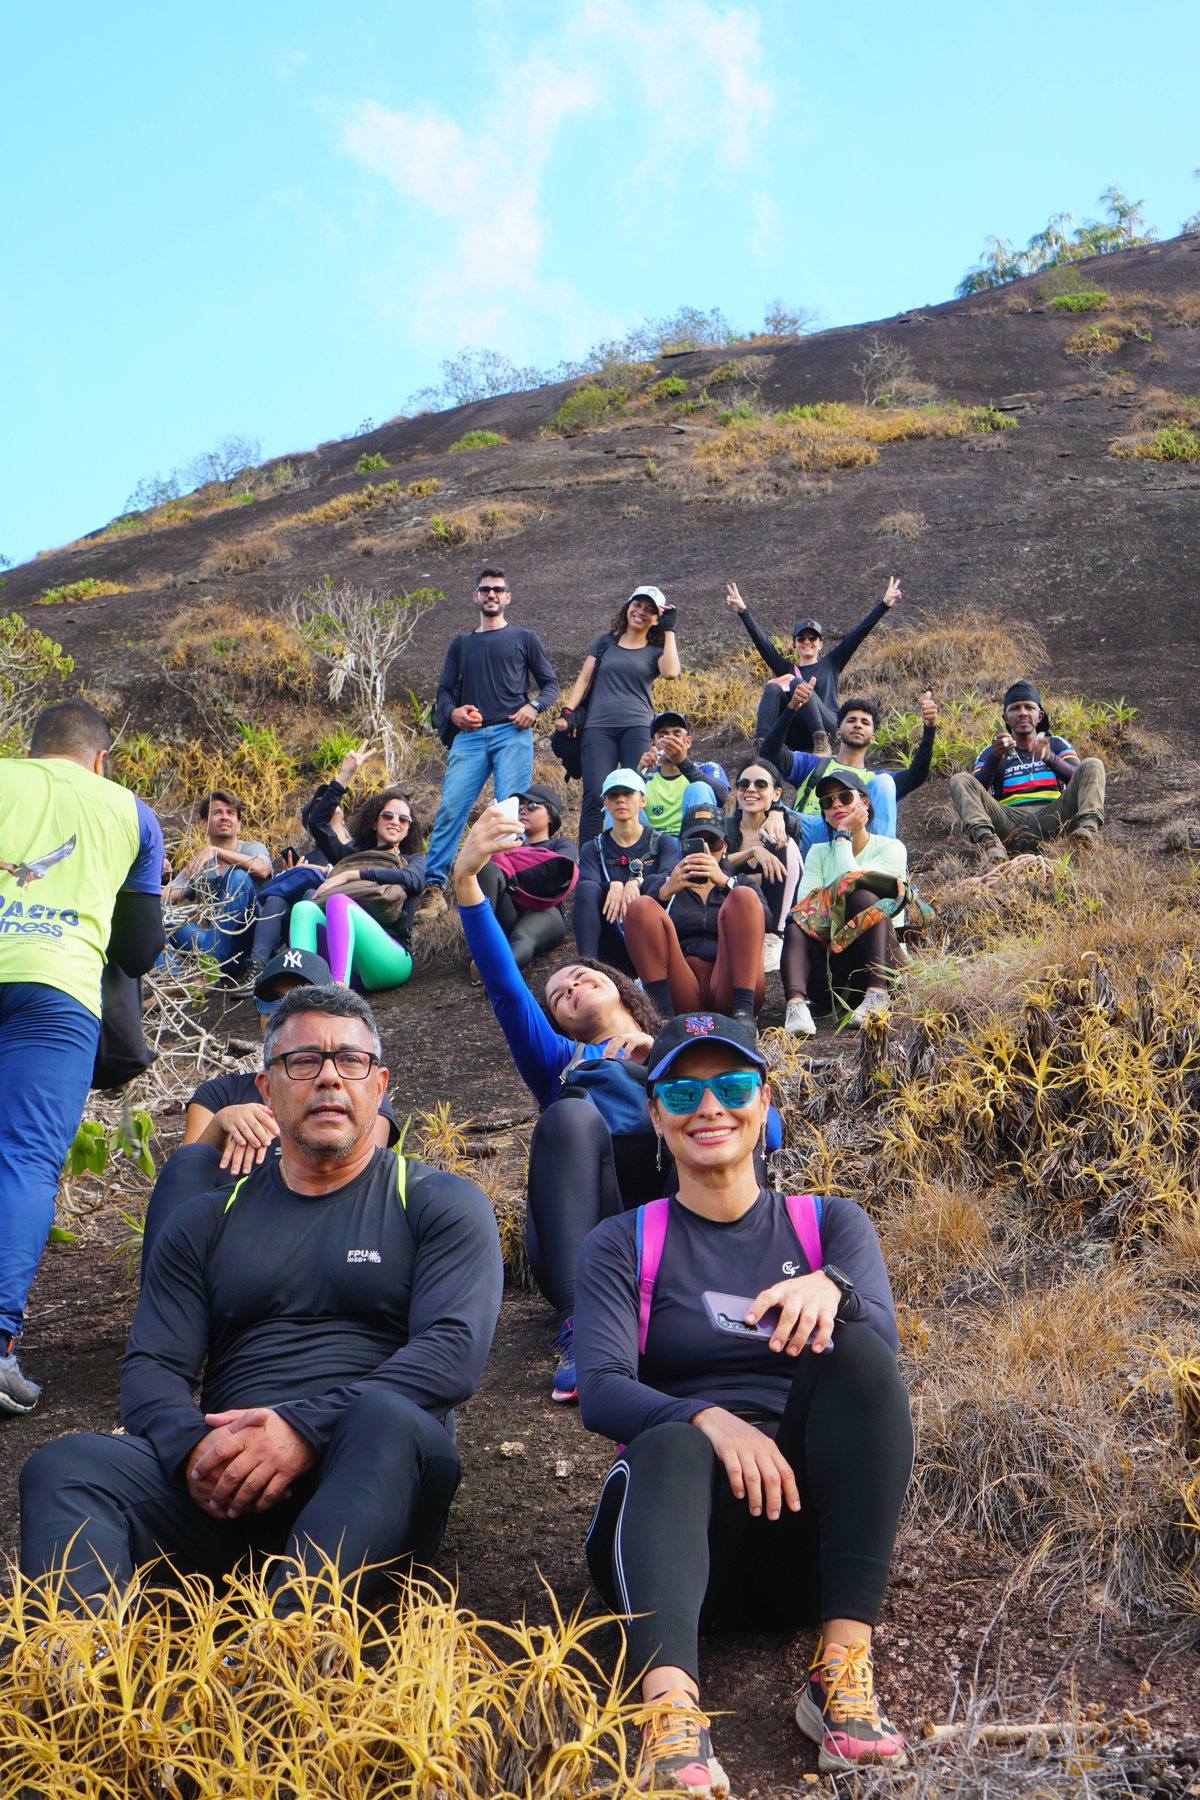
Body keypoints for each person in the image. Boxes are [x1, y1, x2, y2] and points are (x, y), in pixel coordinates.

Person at [19, 986, 503, 1621]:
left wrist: (301, 1429)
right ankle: (78, 1663)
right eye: (303, 1061)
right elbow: (152, 1366)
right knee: (65, 1466)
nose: (328, 1077)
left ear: (379, 1085)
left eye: (350, 1061)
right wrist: (194, 1451)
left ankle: (286, 1647)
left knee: (386, 1417)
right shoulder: (204, 1221)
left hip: (375, 1478)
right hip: (232, 1485)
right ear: (266, 1090)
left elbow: (451, 1353)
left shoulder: (437, 1202)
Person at [574, 1012, 912, 1787]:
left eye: (730, 1087)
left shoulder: (829, 1225)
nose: (709, 1108)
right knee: (671, 1438)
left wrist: (836, 1290)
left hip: (804, 1550)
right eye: (681, 1093)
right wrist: (707, 1416)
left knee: (858, 1346)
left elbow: (879, 1366)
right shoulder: (622, 1243)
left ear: (764, 1102)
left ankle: (841, 1677)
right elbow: (600, 1391)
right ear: (655, 1115)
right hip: (671, 1539)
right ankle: (670, 1719)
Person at [454, 805, 667, 1404]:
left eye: (580, 976)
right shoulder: (560, 1059)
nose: (570, 986)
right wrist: (466, 880)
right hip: (587, 1245)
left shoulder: (683, 1046)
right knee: (569, 1113)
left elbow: (764, 1132)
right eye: (557, 995)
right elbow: (505, 988)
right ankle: (585, 1328)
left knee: (703, 1102)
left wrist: (663, 1060)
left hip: (673, 1224)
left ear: (620, 987)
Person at [0, 699, 164, 1414]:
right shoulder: (130, 812)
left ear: (30, 749)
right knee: (23, 1162)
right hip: (56, 993)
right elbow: (139, 949)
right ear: (101, 758)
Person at [139, 950, 402, 1272]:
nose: (283, 1008)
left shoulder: (352, 1088)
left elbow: (364, 1166)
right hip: (233, 1235)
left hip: (331, 1226)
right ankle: (166, 1287)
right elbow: (185, 1179)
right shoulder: (219, 1093)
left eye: (301, 997)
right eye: (271, 1000)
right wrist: (220, 1124)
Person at [416, 569, 559, 920]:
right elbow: (443, 691)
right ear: (475, 596)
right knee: (451, 808)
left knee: (510, 811)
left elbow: (550, 685)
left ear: (507, 596)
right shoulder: (461, 643)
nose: (491, 594)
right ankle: (434, 889)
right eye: (485, 590)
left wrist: (533, 707)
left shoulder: (524, 638)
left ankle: (509, 883)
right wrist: (454, 713)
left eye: (498, 589)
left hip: (512, 733)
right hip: (469, 738)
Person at [781, 771, 908, 1038]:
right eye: (828, 802)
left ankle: (877, 995)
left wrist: (842, 837)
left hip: (882, 962)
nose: (836, 804)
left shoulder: (892, 847)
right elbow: (805, 907)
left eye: (845, 797)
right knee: (796, 923)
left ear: (865, 803)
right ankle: (796, 1005)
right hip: (833, 974)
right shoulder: (818, 852)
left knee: (863, 898)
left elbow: (853, 883)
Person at [623, 803, 771, 1026]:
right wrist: (666, 892)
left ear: (725, 846)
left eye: (714, 842)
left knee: (744, 896)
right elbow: (639, 928)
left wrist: (725, 883)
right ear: (682, 845)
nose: (706, 851)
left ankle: (744, 1015)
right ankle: (663, 1019)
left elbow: (766, 922)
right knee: (641, 906)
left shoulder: (740, 882)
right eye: (695, 843)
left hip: (731, 982)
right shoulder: (663, 884)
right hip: (682, 986)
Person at [555, 586, 681, 843]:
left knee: (634, 792)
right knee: (595, 795)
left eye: (649, 610)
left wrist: (669, 630)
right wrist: (567, 712)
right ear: (627, 606)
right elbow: (584, 678)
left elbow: (671, 672)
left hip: (637, 726)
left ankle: (635, 852)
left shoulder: (656, 650)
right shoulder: (606, 642)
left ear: (656, 618)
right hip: (598, 728)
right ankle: (589, 857)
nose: (641, 612)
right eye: (637, 605)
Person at [726, 577, 901, 752]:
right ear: (795, 644)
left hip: (827, 726)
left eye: (812, 638)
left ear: (820, 644)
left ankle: (821, 740)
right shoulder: (786, 669)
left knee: (797, 683)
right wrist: (743, 611)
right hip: (796, 733)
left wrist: (884, 604)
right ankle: (761, 745)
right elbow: (763, 645)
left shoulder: (831, 663)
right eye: (801, 638)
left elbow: (857, 635)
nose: (807, 642)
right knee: (773, 687)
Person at [949, 680, 1106, 860]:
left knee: (1093, 763)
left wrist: (1050, 757)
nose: (1023, 713)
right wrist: (995, 757)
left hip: (1054, 818)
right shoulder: (991, 751)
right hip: (1009, 824)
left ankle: (1088, 831)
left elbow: (1080, 778)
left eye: (1029, 707)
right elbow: (974, 790)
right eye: (1015, 708)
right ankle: (989, 843)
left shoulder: (1056, 744)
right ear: (1005, 718)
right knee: (960, 779)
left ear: (1040, 716)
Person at [763, 692, 938, 852]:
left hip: (851, 835)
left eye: (865, 723)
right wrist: (791, 708)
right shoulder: (811, 764)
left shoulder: (875, 781)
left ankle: (881, 859)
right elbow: (769, 755)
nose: (858, 725)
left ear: (873, 738)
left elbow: (916, 776)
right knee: (756, 786)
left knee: (885, 782)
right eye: (851, 720)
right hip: (808, 831)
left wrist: (929, 729)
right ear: (838, 732)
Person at [575, 770, 680, 973]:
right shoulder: (593, 848)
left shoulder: (663, 842)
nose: (620, 800)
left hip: (654, 940)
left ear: (642, 800)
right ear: (605, 802)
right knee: (587, 888)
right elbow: (588, 889)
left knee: (655, 882)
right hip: (613, 939)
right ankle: (587, 968)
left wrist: (637, 882)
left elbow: (669, 881)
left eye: (628, 793)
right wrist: (612, 885)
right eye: (613, 795)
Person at [472, 783, 578, 974]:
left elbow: (558, 870)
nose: (523, 810)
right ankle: (481, 946)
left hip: (546, 910)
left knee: (523, 936)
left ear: (551, 816)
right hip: (510, 908)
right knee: (488, 868)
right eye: (521, 806)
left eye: (532, 806)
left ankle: (495, 973)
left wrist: (516, 854)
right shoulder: (506, 845)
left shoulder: (560, 844)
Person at [164, 790, 271, 971]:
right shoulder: (200, 864)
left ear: (238, 825)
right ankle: (174, 977)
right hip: (213, 946)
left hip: (248, 944)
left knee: (237, 876)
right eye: (217, 812)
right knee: (158, 911)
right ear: (203, 824)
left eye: (230, 813)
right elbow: (162, 896)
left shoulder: (252, 848)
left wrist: (216, 851)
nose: (224, 817)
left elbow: (262, 869)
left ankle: (206, 970)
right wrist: (152, 868)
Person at [723, 762, 803, 960]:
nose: (751, 789)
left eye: (761, 785)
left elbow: (792, 825)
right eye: (744, 784)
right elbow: (713, 865)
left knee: (781, 843)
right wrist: (754, 851)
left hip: (776, 915)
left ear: (776, 793)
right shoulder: (723, 828)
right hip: (735, 913)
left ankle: (775, 936)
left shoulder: (786, 825)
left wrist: (778, 812)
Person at [637, 712, 729, 835]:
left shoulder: (707, 768)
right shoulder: (647, 776)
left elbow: (722, 796)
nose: (671, 741)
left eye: (676, 735)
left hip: (690, 841)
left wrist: (683, 763)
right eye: (663, 736)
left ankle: (698, 842)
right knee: (618, 788)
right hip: (652, 842)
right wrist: (638, 777)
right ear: (652, 744)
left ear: (688, 741)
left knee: (699, 788)